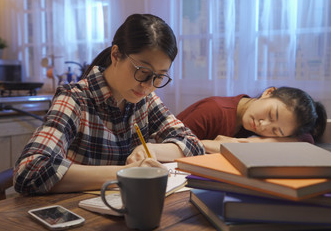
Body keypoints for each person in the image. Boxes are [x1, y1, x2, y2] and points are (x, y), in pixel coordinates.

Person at [13, 14, 205, 195]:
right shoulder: (75, 99)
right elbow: (28, 170)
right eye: (143, 71)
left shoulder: (144, 100)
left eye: (159, 77)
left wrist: (151, 149)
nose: (148, 85)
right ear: (116, 55)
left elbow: (193, 144)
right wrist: (126, 173)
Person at [177, 86, 327, 153]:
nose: (263, 126)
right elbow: (174, 146)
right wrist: (205, 145)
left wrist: (240, 144)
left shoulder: (254, 125)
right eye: (271, 114)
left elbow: (306, 140)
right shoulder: (213, 110)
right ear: (268, 92)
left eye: (276, 131)